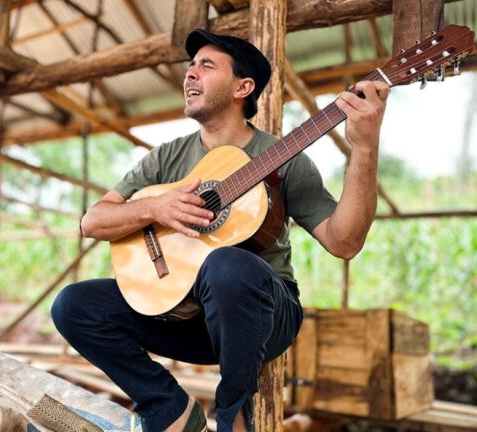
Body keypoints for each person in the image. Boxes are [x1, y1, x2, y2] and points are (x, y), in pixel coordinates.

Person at [51, 29, 390, 432]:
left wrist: (365, 148)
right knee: (73, 304)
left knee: (227, 264)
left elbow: (345, 241)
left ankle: (234, 416)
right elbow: (93, 221)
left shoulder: (284, 159)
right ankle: (167, 408)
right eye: (190, 67)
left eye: (206, 66)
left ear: (242, 87)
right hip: (181, 315)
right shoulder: (167, 157)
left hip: (262, 315)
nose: (190, 74)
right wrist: (155, 206)